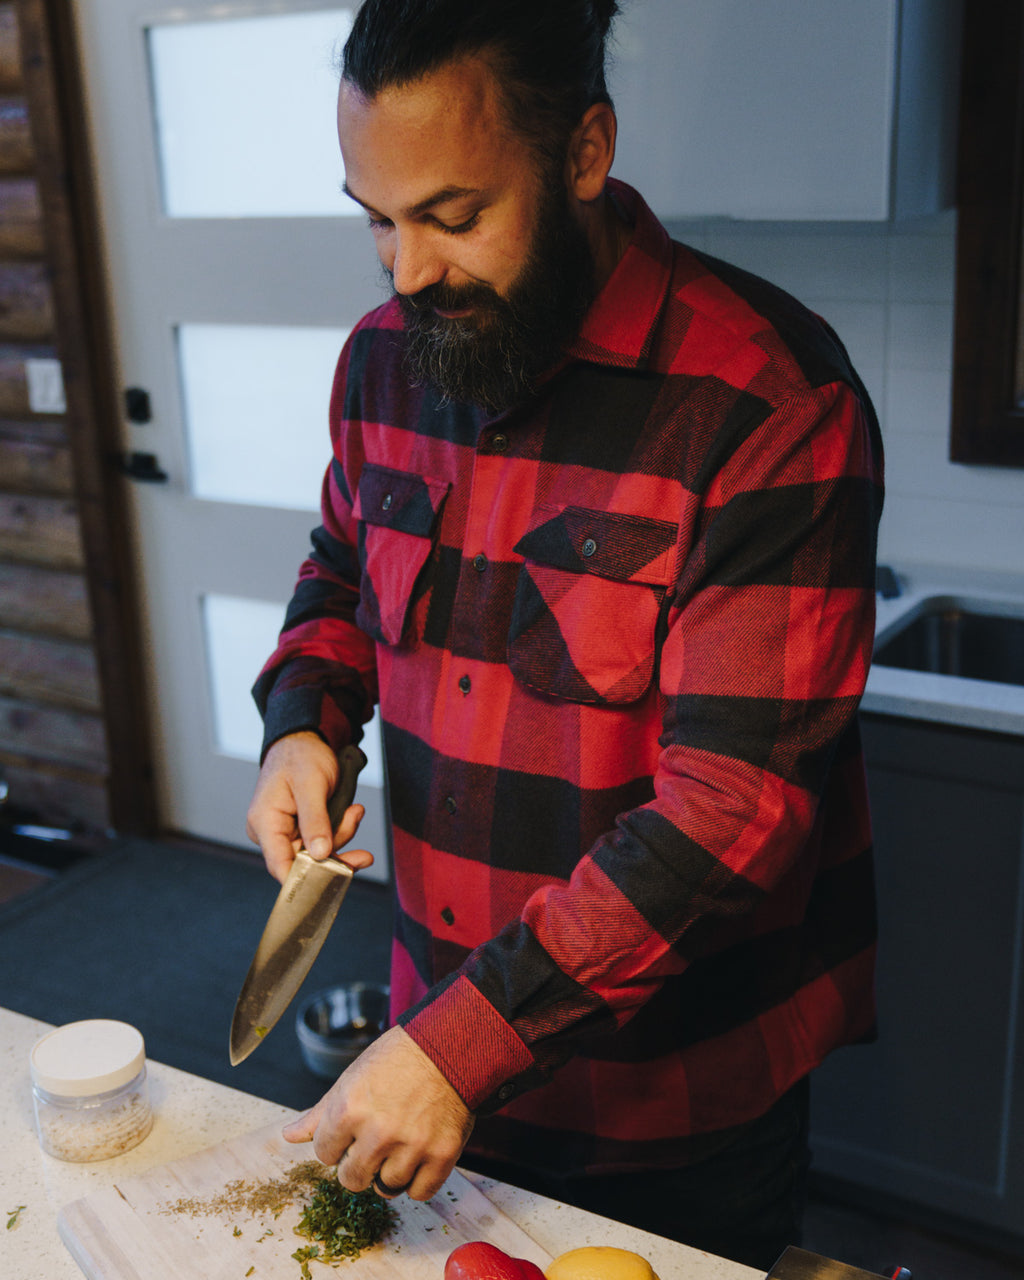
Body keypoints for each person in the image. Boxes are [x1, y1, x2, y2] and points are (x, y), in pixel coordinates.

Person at [245, 0, 884, 1269]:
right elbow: (339, 570)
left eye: (452, 214)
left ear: (583, 152)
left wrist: (462, 1042)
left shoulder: (764, 396)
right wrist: (302, 725)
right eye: (376, 217)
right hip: (437, 1046)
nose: (404, 269)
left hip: (672, 1104)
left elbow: (733, 810)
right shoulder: (385, 360)